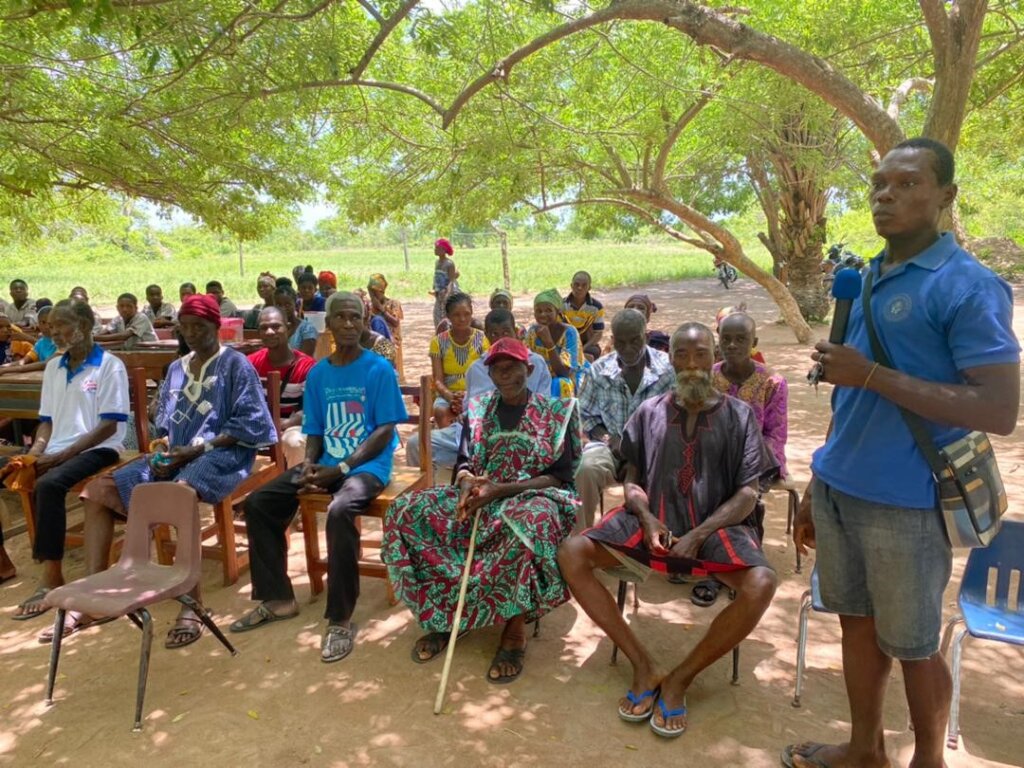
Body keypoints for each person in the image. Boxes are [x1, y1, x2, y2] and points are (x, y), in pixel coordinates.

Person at [784, 139, 1020, 768]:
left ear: (946, 196)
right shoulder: (863, 278)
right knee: (855, 625)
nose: (886, 195)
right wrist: (819, 479)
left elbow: (999, 410)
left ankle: (928, 760)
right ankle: (865, 749)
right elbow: (847, 395)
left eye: (908, 183)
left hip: (910, 502)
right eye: (879, 184)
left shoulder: (968, 286)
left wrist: (871, 376)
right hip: (841, 488)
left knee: (914, 646)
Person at [558, 322, 778, 739]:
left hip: (715, 528)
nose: (692, 364)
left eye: (701, 354)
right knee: (571, 553)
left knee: (762, 583)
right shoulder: (650, 411)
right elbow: (632, 479)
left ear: (713, 357)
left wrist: (699, 534)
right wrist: (646, 517)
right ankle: (644, 665)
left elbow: (749, 493)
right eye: (682, 355)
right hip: (653, 521)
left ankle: (680, 678)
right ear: (670, 359)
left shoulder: (739, 415)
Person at [80, 293, 277, 649]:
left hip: (223, 453)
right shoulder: (176, 369)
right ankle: (95, 595)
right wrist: (161, 448)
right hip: (178, 453)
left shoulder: (235, 364)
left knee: (179, 493)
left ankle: (192, 603)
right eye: (185, 328)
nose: (191, 334)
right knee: (97, 491)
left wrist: (198, 449)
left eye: (199, 327)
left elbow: (252, 422)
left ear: (216, 325)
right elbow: (165, 423)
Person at [383, 337, 580, 683]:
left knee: (528, 524)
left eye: (512, 367)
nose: (505, 375)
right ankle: (447, 614)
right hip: (482, 493)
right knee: (407, 510)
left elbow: (559, 476)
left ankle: (514, 630)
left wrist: (501, 490)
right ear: (489, 374)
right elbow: (464, 463)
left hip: (532, 496)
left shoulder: (553, 413)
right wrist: (465, 484)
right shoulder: (478, 410)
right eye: (497, 369)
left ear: (528, 369)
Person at [235, 292, 406, 664]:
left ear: (364, 323)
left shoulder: (378, 369)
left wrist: (342, 468)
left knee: (341, 510)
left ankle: (340, 618)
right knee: (259, 503)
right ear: (328, 325)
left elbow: (384, 431)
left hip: (366, 468)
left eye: (355, 317)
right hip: (326, 463)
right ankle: (278, 598)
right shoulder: (319, 374)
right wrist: (310, 466)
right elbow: (313, 428)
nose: (348, 324)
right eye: (340, 317)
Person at [9, 300, 129, 630]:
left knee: (49, 484)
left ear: (85, 326)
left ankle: (51, 575)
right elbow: (46, 421)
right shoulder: (54, 368)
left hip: (100, 448)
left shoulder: (109, 365)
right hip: (59, 449)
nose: (54, 331)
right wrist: (39, 452)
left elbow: (108, 425)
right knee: (23, 472)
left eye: (61, 324)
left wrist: (60, 457)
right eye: (51, 325)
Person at [689, 311, 788, 608]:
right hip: (713, 456)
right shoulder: (708, 377)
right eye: (726, 339)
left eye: (741, 339)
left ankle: (736, 566)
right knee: (706, 488)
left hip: (761, 459)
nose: (732, 345)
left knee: (745, 495)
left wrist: (748, 459)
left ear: (754, 342)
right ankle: (720, 564)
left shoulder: (772, 382)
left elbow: (776, 433)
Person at [406, 308, 551, 472]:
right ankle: (429, 484)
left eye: (506, 332)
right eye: (494, 334)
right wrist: (464, 413)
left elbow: (543, 407)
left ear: (516, 332)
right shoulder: (477, 368)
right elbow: (471, 412)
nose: (501, 339)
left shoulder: (535, 363)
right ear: (486, 336)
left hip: (524, 434)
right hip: (478, 436)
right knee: (416, 444)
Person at [576, 309, 675, 529]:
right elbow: (584, 414)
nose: (628, 348)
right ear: (613, 340)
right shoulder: (599, 370)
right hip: (611, 447)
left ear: (645, 336)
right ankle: (581, 537)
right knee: (586, 468)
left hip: (656, 450)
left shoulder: (667, 369)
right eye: (621, 342)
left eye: (634, 341)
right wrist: (609, 439)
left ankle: (662, 534)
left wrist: (640, 453)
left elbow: (677, 418)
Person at [247, 306, 316, 468]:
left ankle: (296, 481)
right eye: (264, 328)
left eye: (276, 326)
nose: (270, 332)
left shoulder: (307, 367)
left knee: (294, 442)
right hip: (258, 425)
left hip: (292, 426)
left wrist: (282, 425)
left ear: (289, 329)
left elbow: (310, 410)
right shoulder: (250, 363)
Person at [429, 292, 488, 429]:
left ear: (472, 313)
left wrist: (468, 397)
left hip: (476, 393)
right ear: (448, 316)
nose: (462, 319)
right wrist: (451, 398)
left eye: (467, 314)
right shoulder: (438, 342)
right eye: (456, 315)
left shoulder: (482, 339)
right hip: (448, 395)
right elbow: (438, 380)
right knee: (441, 412)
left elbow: (486, 375)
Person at [525, 289, 584, 397]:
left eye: (548, 310)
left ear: (557, 312)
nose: (543, 314)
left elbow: (564, 373)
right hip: (542, 377)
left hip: (568, 379)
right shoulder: (532, 332)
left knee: (560, 384)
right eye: (538, 311)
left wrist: (549, 343)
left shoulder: (570, 333)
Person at [0, 305, 58, 375]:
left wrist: (5, 370)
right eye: (43, 322)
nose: (47, 326)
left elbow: (45, 364)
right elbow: (22, 362)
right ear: (38, 324)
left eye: (51, 323)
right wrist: (3, 367)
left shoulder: (63, 342)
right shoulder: (40, 343)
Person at [563, 271, 605, 360]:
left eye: (584, 285)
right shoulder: (562, 305)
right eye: (576, 284)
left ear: (589, 288)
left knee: (594, 351)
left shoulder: (596, 307)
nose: (579, 288)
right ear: (571, 285)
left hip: (586, 344)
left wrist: (582, 348)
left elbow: (598, 333)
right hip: (565, 343)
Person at [368, 274, 404, 376]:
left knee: (378, 321)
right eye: (371, 293)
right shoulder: (369, 306)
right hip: (374, 341)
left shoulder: (393, 303)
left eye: (375, 292)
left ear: (382, 291)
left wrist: (381, 309)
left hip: (391, 339)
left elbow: (395, 322)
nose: (372, 296)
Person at [273, 283, 318, 357]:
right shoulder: (271, 329)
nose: (283, 308)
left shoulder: (307, 328)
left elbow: (304, 358)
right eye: (278, 305)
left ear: (295, 304)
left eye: (287, 304)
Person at [431, 237, 459, 328]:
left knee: (447, 315)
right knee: (437, 316)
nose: (435, 250)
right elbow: (436, 276)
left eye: (437, 248)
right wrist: (435, 288)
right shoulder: (437, 262)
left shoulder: (449, 263)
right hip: (439, 293)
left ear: (444, 250)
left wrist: (447, 293)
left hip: (448, 293)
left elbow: (451, 281)